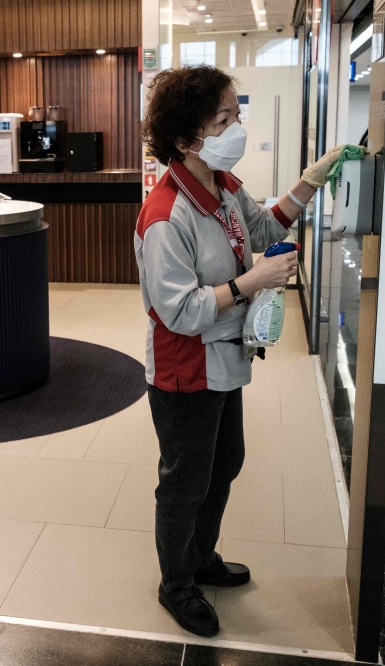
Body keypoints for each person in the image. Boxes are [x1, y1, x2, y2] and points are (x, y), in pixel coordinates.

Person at [136, 64, 359, 637]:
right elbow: (177, 312)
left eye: (238, 115)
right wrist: (251, 284)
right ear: (185, 139)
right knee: (186, 479)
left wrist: (310, 180)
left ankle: (201, 556)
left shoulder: (222, 183)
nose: (237, 128)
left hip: (225, 360)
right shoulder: (166, 215)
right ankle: (176, 584)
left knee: (224, 462)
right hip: (186, 369)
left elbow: (262, 228)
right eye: (224, 120)